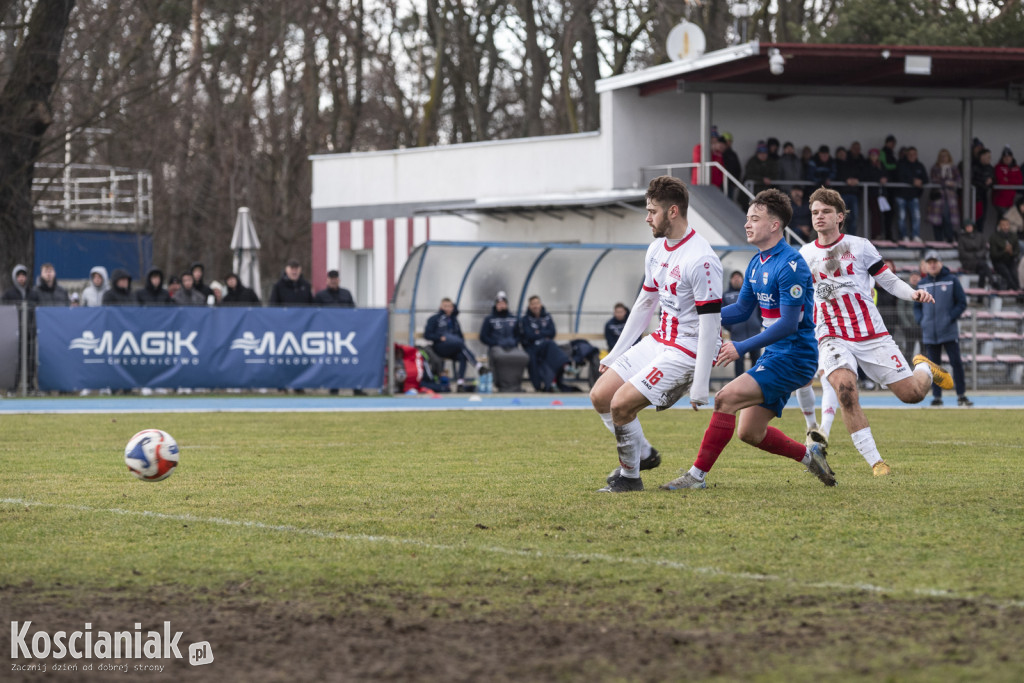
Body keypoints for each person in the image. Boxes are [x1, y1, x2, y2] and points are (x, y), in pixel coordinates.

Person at [660, 188, 835, 490]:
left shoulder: (790, 264)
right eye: (747, 218)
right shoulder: (756, 263)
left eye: (755, 218)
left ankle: (695, 477)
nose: (747, 224)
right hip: (775, 355)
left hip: (794, 356)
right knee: (750, 433)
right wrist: (697, 315)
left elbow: (790, 324)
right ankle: (810, 458)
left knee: (724, 399)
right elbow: (742, 310)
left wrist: (740, 346)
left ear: (774, 225)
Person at [798, 187, 954, 476]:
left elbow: (889, 281)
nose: (819, 217)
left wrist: (913, 294)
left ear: (839, 217)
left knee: (912, 394)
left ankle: (924, 368)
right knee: (845, 390)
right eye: (815, 212)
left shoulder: (860, 246)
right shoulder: (805, 253)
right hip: (831, 335)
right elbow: (801, 297)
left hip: (872, 335)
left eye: (826, 212)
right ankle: (876, 462)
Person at [589, 175, 722, 493]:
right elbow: (644, 304)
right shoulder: (655, 250)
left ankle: (629, 478)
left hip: (687, 350)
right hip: (661, 340)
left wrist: (701, 384)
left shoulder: (701, 259)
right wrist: (616, 354)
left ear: (673, 212)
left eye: (652, 211)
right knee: (601, 397)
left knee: (621, 405)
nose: (647, 217)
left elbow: (710, 326)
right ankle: (644, 453)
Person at [914, 251, 972, 407]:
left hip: (948, 331)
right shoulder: (921, 284)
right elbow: (916, 306)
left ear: (940, 263)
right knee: (933, 367)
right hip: (929, 333)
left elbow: (961, 302)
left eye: (935, 262)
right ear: (925, 265)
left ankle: (961, 395)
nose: (932, 264)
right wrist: (921, 320)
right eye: (929, 262)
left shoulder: (952, 280)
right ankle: (937, 397)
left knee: (956, 363)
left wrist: (950, 317)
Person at [518, 295, 572, 392]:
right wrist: (543, 334)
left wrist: (538, 333)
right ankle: (565, 366)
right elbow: (529, 336)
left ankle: (551, 383)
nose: (535, 306)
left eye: (537, 303)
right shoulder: (525, 319)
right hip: (533, 347)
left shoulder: (547, 317)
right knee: (549, 345)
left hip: (546, 346)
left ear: (540, 304)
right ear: (529, 306)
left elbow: (552, 332)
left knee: (550, 348)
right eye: (533, 304)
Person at [424, 297, 479, 390]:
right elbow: (427, 335)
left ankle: (460, 382)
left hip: (454, 348)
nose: (447, 308)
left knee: (462, 355)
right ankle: (477, 364)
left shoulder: (454, 321)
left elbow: (460, 336)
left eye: (450, 306)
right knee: (460, 345)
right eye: (445, 306)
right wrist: (439, 338)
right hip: (440, 348)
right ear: (441, 307)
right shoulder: (434, 319)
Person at [480, 291, 528, 392]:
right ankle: (502, 384)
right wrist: (495, 343)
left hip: (511, 347)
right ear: (496, 305)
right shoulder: (489, 319)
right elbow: (483, 336)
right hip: (496, 347)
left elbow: (519, 335)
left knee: (523, 357)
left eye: (503, 303)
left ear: (506, 304)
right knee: (501, 357)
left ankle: (516, 384)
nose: (501, 306)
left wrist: (513, 342)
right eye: (499, 303)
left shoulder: (513, 319)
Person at [721, 270, 762, 378]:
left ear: (743, 279)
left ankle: (756, 383)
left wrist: (758, 323)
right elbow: (722, 314)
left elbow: (760, 309)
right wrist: (731, 327)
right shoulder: (726, 295)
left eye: (738, 277)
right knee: (738, 361)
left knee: (756, 360)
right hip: (737, 334)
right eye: (734, 277)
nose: (736, 279)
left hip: (755, 333)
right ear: (730, 280)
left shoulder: (752, 292)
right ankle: (739, 385)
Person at [894, 146, 928, 242]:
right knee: (902, 217)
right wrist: (912, 181)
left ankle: (915, 236)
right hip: (901, 195)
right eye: (910, 154)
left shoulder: (920, 165)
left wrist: (921, 182)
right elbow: (899, 177)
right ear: (907, 155)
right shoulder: (901, 164)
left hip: (914, 196)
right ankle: (904, 236)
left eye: (914, 154)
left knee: (916, 216)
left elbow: (926, 179)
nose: (912, 156)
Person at [928, 149, 962, 242]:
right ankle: (938, 239)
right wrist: (946, 182)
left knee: (948, 218)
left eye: (945, 156)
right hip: (938, 197)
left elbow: (959, 180)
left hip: (950, 197)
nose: (944, 158)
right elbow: (934, 179)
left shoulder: (953, 168)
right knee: (937, 220)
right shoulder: (935, 168)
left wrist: (951, 183)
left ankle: (949, 237)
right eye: (942, 156)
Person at [957, 221, 992, 289]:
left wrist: (978, 254)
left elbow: (984, 248)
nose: (969, 228)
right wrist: (974, 255)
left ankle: (980, 294)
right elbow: (962, 252)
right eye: (967, 227)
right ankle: (992, 281)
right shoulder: (962, 238)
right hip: (968, 262)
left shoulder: (980, 236)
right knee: (983, 265)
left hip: (980, 260)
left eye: (970, 226)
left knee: (982, 271)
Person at [834, 146, 861, 235]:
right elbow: (834, 176)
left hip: (853, 194)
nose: (842, 155)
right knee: (842, 217)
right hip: (841, 195)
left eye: (843, 153)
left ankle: (851, 237)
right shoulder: (835, 164)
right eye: (840, 154)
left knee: (854, 217)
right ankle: (842, 236)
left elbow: (859, 173)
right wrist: (846, 180)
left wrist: (857, 180)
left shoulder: (851, 163)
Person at [989, 218, 1021, 291]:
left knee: (1015, 274)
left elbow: (1017, 251)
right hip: (998, 262)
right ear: (999, 226)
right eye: (1003, 225)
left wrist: (1011, 252)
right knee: (1006, 273)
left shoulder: (1013, 236)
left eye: (1007, 225)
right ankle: (1016, 290)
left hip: (1010, 260)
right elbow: (993, 255)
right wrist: (1004, 251)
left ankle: (1018, 294)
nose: (1005, 227)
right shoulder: (994, 237)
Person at [993, 147, 1023, 220]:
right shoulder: (998, 167)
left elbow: (1020, 181)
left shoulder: (1016, 167)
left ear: (1012, 157)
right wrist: (1012, 180)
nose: (1007, 159)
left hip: (1010, 201)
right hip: (1000, 200)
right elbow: (1001, 182)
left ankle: (999, 231)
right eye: (1005, 157)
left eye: (1009, 157)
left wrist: (1008, 179)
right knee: (1008, 219)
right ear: (1002, 158)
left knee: (1002, 219)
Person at [971, 148, 995, 231]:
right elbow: (972, 181)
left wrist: (991, 181)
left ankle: (979, 237)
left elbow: (994, 179)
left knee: (982, 218)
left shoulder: (990, 168)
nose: (990, 159)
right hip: (974, 196)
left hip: (983, 195)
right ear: (982, 157)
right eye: (988, 157)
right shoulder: (974, 166)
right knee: (974, 217)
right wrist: (984, 184)